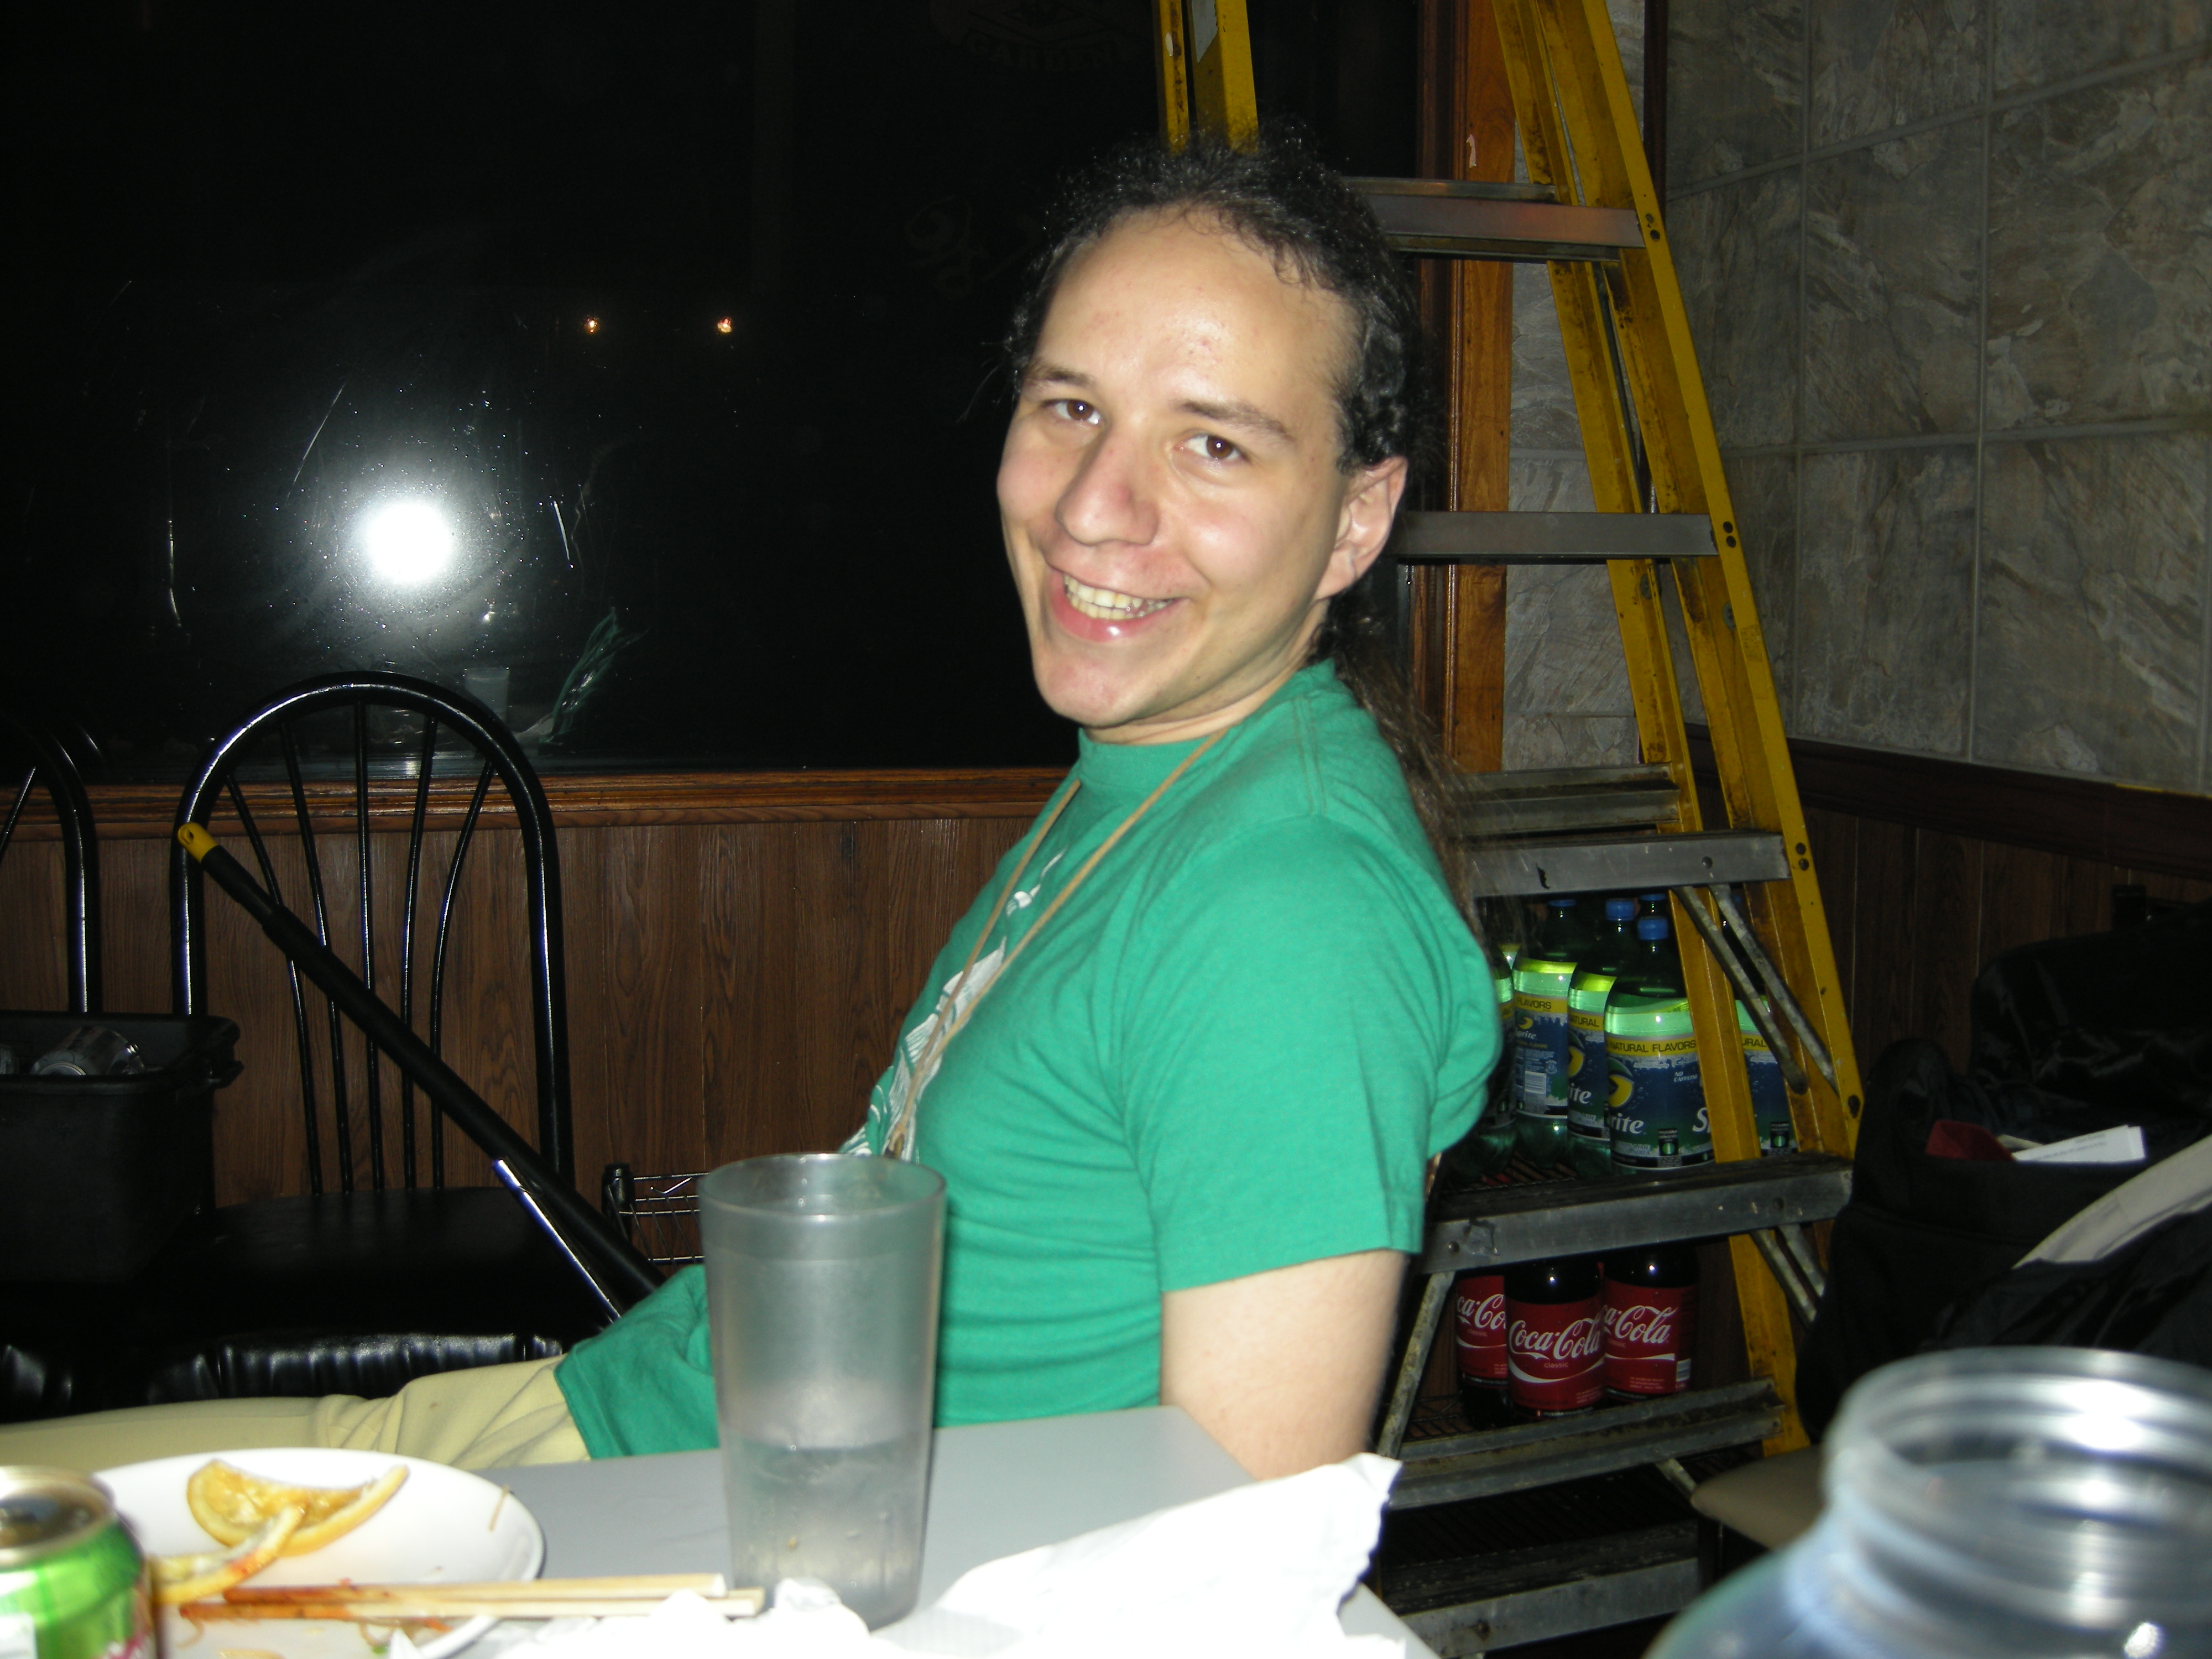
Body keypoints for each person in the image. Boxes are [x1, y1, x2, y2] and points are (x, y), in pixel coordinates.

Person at [0, 131, 1499, 1481]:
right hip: (639, 1409)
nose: (1094, 506)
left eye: (1215, 442)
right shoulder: (1157, 774)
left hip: (694, 1526)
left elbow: (1242, 1544)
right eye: (1071, 407)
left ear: (1356, 519)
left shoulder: (1285, 903)